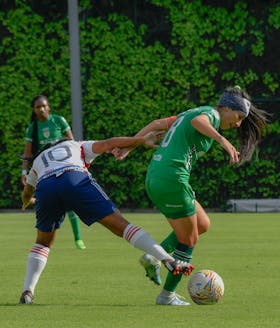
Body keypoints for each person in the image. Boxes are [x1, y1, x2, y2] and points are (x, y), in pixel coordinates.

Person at [116, 86, 269, 305]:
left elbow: (158, 124)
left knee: (203, 223)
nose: (237, 124)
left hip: (158, 176)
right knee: (189, 239)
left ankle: (153, 256)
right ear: (226, 108)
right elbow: (199, 122)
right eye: (238, 117)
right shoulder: (211, 115)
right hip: (172, 179)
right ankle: (166, 296)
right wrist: (222, 140)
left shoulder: (190, 113)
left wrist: (131, 145)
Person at [19, 134, 194, 304]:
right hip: (74, 178)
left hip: (46, 186)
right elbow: (109, 143)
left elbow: (28, 191)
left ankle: (28, 291)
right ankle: (167, 259)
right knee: (123, 227)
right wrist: (140, 140)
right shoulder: (76, 145)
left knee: (42, 243)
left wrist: (27, 203)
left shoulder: (38, 160)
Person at [21, 95, 86, 250]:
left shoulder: (58, 121)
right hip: (43, 169)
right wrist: (24, 171)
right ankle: (43, 234)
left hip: (62, 166)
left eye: (44, 106)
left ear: (49, 107)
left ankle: (78, 239)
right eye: (38, 107)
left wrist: (80, 163)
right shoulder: (33, 127)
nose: (41, 109)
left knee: (68, 200)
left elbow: (72, 143)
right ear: (34, 110)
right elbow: (28, 152)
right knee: (48, 199)